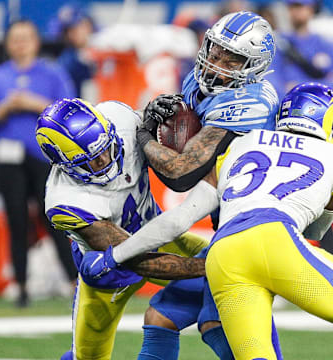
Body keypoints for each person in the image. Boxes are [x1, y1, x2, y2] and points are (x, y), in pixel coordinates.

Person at [84, 11, 283, 360]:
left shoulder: (250, 102)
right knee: (161, 316)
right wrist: (161, 110)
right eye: (215, 50)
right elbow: (185, 125)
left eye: (230, 59)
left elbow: (181, 172)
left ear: (253, 66)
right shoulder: (202, 81)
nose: (216, 63)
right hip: (228, 221)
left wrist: (145, 134)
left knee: (217, 324)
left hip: (252, 228)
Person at [35, 98, 209, 360]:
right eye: (92, 161)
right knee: (88, 358)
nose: (106, 159)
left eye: (107, 147)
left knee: (232, 286)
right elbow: (135, 259)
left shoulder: (119, 118)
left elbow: (154, 124)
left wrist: (158, 115)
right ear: (64, 164)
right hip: (109, 272)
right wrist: (211, 265)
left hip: (157, 231)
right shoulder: (66, 203)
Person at [205, 82, 333, 359]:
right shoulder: (328, 152)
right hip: (275, 239)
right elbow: (316, 229)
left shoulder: (240, 142)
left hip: (223, 253)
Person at [0, 19, 77, 307]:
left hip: (44, 157)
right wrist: (6, 107)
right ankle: (20, 285)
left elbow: (70, 111)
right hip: (7, 159)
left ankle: (74, 281)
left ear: (35, 42)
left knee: (56, 220)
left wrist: (36, 104)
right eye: (15, 39)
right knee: (16, 221)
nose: (20, 44)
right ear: (8, 44)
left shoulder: (52, 74)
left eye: (25, 38)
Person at [266, 0, 333, 101]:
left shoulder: (324, 44)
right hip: (289, 104)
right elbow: (271, 79)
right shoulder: (279, 43)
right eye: (292, 7)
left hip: (321, 104)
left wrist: (297, 86)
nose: (295, 11)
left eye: (300, 6)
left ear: (311, 9)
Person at [56, 6, 97, 97]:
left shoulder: (104, 49)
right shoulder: (66, 61)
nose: (74, 33)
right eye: (68, 30)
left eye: (78, 26)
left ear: (89, 25)